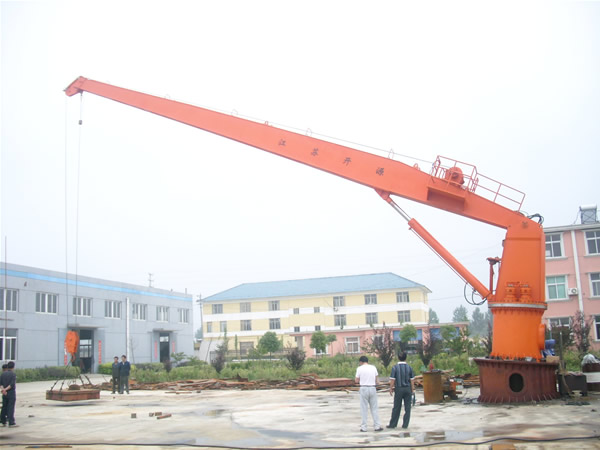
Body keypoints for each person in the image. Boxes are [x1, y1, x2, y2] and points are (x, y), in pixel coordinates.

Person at [354, 355, 382, 432]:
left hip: (364, 388)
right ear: (367, 361)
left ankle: (364, 427)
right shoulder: (373, 367)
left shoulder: (359, 368)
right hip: (372, 388)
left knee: (364, 408)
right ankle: (377, 426)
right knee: (374, 408)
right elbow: (377, 380)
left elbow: (356, 380)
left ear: (361, 362)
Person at [387, 351, 415, 429]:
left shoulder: (395, 368)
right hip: (407, 389)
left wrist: (391, 388)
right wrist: (412, 389)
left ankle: (393, 424)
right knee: (408, 407)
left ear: (398, 358)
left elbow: (393, 380)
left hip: (399, 389)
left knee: (396, 407)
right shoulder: (409, 368)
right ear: (406, 358)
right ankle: (405, 424)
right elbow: (412, 380)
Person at [0, 361, 18, 427]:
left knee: (4, 407)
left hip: (4, 393)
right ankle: (11, 422)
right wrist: (6, 389)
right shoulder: (13, 374)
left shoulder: (3, 374)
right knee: (10, 407)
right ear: (13, 367)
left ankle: (2, 421)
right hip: (11, 393)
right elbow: (11, 384)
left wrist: (3, 390)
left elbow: (1, 384)